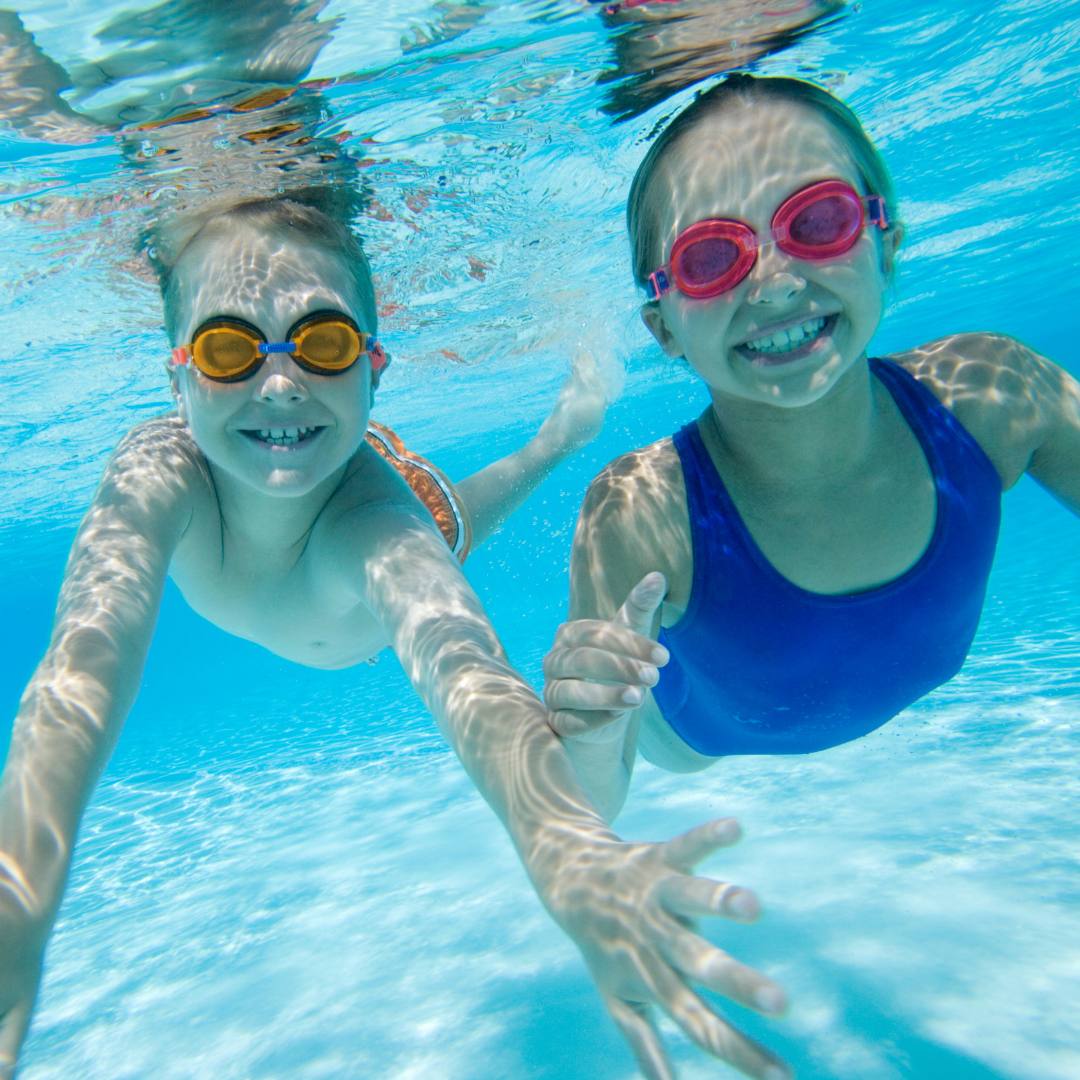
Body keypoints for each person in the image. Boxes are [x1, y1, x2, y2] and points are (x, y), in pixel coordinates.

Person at [0, 191, 792, 1080]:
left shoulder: (382, 532)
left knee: (469, 511)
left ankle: (563, 432)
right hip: (347, 494)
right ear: (177, 373)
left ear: (374, 367)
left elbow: (470, 675)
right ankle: (559, 430)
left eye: (325, 343)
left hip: (395, 506)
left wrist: (566, 847)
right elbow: (84, 662)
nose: (280, 380)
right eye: (229, 349)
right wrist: (17, 890)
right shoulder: (156, 472)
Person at [543, 75, 1079, 829]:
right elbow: (587, 804)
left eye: (817, 220)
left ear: (885, 239)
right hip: (696, 741)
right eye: (709, 259)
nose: (772, 284)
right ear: (663, 328)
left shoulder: (995, 392)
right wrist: (590, 730)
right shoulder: (642, 510)